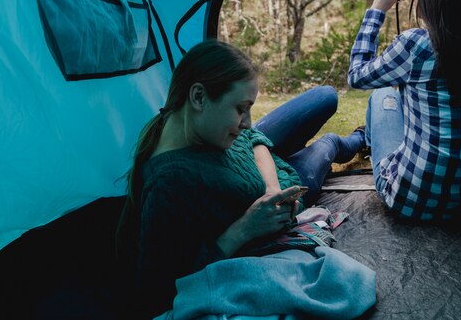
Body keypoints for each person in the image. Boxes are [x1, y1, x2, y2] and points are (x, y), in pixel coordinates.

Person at [116, 39, 365, 319]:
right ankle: (359, 138)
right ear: (198, 97)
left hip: (262, 162)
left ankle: (344, 141)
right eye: (240, 108)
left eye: (248, 108)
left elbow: (253, 136)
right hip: (293, 180)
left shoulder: (192, 124)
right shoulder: (171, 182)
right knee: (326, 146)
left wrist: (271, 186)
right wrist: (244, 229)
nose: (247, 119)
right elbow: (157, 290)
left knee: (325, 96)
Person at [347, 0, 461, 220]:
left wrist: (378, 7)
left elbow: (357, 76)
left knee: (381, 94)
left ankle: (364, 146)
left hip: (411, 198)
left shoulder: (415, 45)